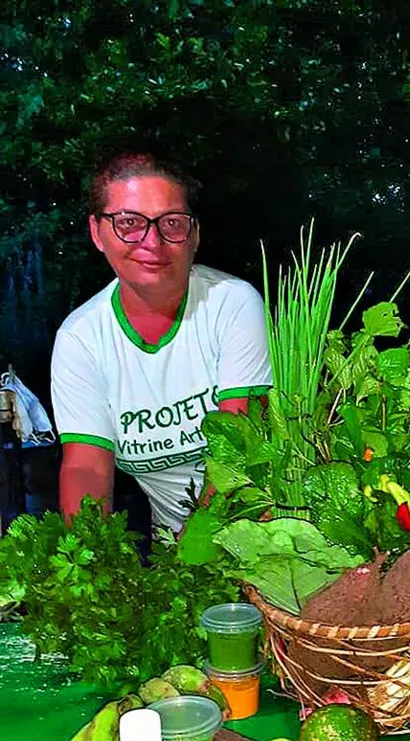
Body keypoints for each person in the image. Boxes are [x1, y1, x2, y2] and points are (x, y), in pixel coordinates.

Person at [51, 149, 271, 534]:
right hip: (175, 549)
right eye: (129, 223)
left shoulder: (232, 304)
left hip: (256, 533)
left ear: (195, 234)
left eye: (172, 222)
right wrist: (90, 556)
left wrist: (196, 549)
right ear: (96, 232)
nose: (152, 241)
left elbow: (240, 445)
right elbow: (86, 466)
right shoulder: (80, 339)